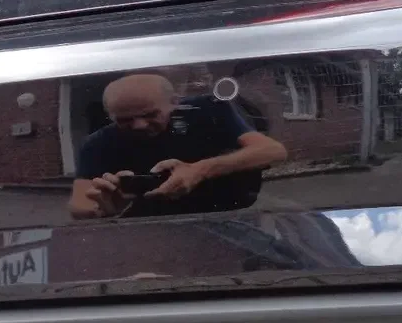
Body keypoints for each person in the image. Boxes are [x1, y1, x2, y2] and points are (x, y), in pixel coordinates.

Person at [69, 74, 288, 220]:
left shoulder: (208, 111)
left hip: (228, 217)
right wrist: (104, 207)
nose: (139, 125)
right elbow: (78, 205)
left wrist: (200, 170)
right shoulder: (98, 143)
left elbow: (273, 151)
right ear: (110, 116)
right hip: (146, 227)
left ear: (175, 102)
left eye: (150, 114)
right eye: (125, 120)